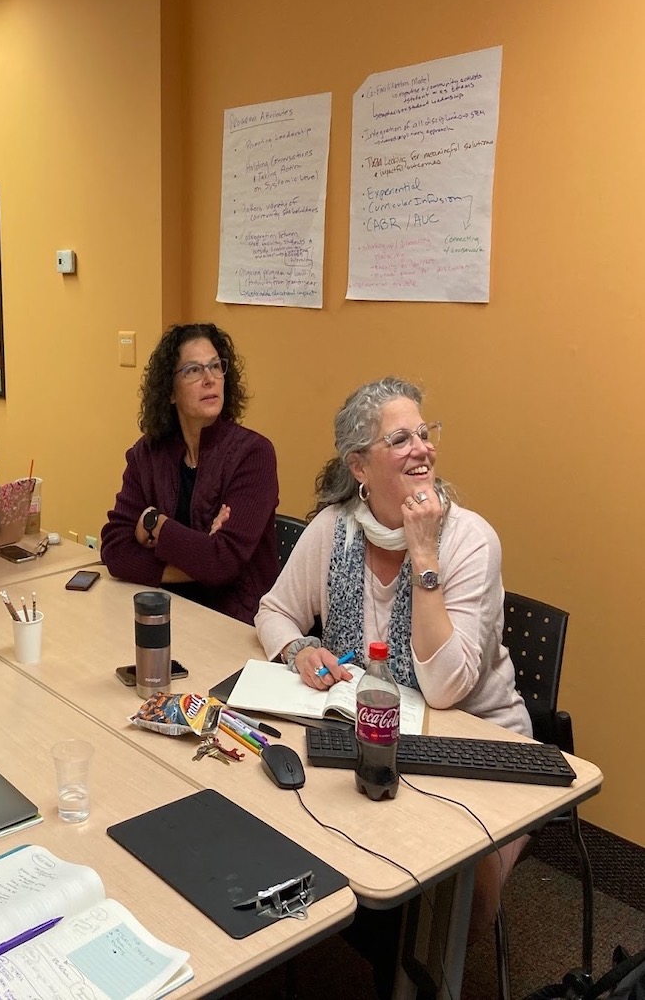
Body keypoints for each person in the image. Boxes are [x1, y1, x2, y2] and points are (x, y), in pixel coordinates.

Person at [254, 376, 530, 965]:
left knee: (450, 904)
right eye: (399, 438)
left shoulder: (469, 540)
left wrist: (423, 554)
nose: (421, 449)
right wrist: (298, 648)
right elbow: (274, 610)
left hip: (478, 744)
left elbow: (448, 688)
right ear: (359, 465)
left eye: (424, 434)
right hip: (374, 733)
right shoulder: (335, 529)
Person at [100, 322, 279, 624]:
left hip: (236, 623)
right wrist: (199, 558)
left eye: (215, 367)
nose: (210, 379)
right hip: (169, 611)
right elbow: (115, 551)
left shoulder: (254, 455)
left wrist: (155, 522)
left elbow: (222, 563)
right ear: (170, 392)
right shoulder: (148, 454)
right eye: (193, 371)